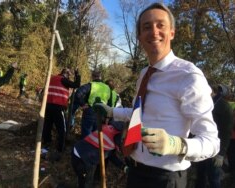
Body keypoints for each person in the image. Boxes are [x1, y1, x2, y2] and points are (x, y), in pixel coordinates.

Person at [95, 3, 220, 188]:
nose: (154, 31)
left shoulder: (189, 76)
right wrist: (111, 112)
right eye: (147, 27)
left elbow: (212, 142)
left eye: (160, 25)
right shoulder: (144, 74)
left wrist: (177, 145)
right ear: (139, 37)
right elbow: (140, 114)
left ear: (172, 33)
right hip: (135, 170)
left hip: (166, 179)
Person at [195, 84, 233, 188]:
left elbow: (226, 132)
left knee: (213, 178)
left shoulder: (225, 107)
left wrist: (221, 154)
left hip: (215, 149)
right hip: (201, 145)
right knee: (200, 175)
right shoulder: (203, 104)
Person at [71, 120, 127, 188]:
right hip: (81, 157)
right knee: (85, 182)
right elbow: (111, 155)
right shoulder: (110, 141)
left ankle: (93, 180)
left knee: (88, 179)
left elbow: (111, 155)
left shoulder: (113, 130)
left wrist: (123, 166)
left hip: (84, 153)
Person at [42, 68, 80, 159]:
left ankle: (46, 143)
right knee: (62, 128)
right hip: (58, 107)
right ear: (66, 74)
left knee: (47, 125)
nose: (69, 77)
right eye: (69, 75)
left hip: (48, 105)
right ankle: (60, 148)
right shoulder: (63, 79)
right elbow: (76, 85)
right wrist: (77, 75)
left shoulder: (51, 78)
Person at [72, 70, 111, 139]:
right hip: (102, 112)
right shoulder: (107, 88)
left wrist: (82, 104)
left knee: (86, 135)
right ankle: (92, 149)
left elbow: (78, 94)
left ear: (92, 77)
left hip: (90, 110)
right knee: (96, 136)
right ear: (100, 77)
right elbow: (109, 103)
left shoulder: (91, 85)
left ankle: (85, 149)